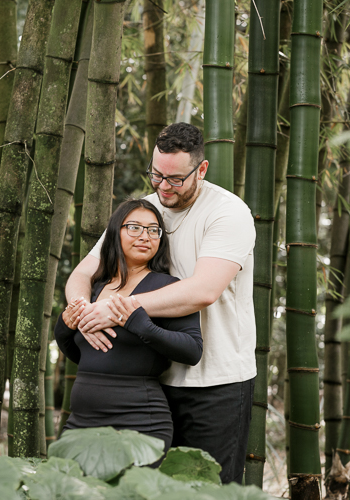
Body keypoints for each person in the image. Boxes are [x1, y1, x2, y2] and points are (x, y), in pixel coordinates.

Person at [65, 123, 256, 484]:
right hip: (152, 385)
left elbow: (203, 291)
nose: (163, 186)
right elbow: (83, 274)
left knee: (208, 490)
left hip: (215, 383)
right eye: (156, 175)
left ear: (201, 170)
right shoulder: (145, 210)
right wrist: (81, 310)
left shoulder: (228, 213)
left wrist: (117, 308)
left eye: (175, 179)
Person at [55, 199, 202, 455]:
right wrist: (66, 326)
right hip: (81, 422)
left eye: (153, 230)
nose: (145, 236)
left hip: (139, 422)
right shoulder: (96, 285)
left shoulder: (168, 287)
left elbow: (192, 350)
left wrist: (140, 324)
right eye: (134, 227)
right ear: (115, 233)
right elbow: (83, 354)